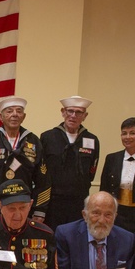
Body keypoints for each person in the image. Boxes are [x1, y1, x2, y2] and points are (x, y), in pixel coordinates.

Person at [0, 96, 50, 221]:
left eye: (19, 111)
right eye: (9, 111)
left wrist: (39, 211)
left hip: (24, 209)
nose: (14, 115)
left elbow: (43, 179)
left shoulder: (33, 141)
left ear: (24, 117)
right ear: (1, 117)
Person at [40, 95, 99, 230]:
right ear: (63, 112)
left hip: (78, 203)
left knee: (75, 240)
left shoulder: (92, 140)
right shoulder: (47, 137)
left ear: (85, 116)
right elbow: (41, 173)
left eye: (78, 112)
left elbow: (91, 173)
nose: (73, 116)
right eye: (70, 111)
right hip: (52, 203)